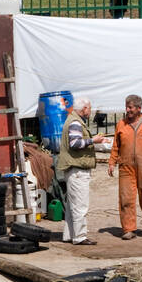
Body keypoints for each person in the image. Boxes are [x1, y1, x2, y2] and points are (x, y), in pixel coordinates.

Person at [109, 94, 142, 239]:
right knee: (125, 197)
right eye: (126, 107)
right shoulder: (121, 124)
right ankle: (128, 229)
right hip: (126, 165)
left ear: (139, 108)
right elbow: (116, 146)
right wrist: (112, 162)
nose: (128, 110)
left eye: (130, 107)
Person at [56, 97, 106, 245]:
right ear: (84, 109)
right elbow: (75, 143)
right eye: (89, 108)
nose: (90, 111)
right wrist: (93, 141)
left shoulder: (73, 120)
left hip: (73, 169)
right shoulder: (76, 122)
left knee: (73, 206)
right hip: (77, 170)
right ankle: (80, 236)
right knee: (80, 206)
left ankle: (70, 235)